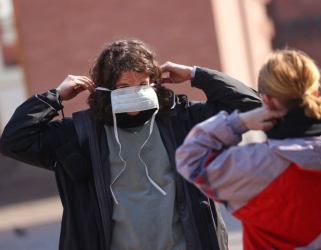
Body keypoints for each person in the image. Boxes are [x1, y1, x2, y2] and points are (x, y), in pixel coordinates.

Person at [0, 38, 262, 250]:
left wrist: (197, 75)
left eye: (143, 84)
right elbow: (14, 140)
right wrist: (55, 97)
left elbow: (252, 107)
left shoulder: (183, 121)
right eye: (124, 86)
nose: (136, 92)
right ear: (105, 89)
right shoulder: (79, 134)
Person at [176, 49, 321, 249]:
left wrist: (239, 122)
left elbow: (191, 157)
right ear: (316, 93)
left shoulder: (254, 166)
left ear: (266, 100)